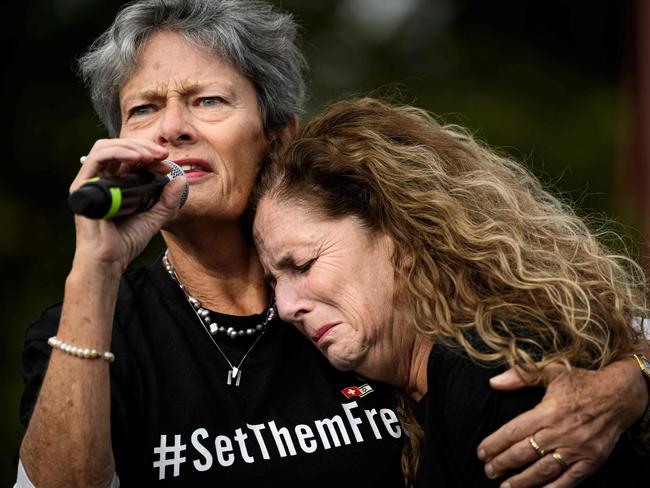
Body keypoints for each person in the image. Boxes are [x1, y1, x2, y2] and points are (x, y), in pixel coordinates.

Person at [16, 1, 649, 486]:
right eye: (144, 109)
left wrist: (628, 381)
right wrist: (94, 269)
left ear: (279, 136)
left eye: (207, 100)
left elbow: (582, 314)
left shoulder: (370, 278)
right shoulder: (88, 324)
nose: (173, 129)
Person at [252, 97, 650, 486]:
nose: (285, 307)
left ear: (398, 238)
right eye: (273, 281)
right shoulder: (418, 388)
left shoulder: (494, 371)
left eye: (303, 265)